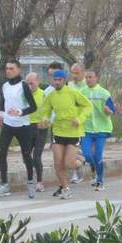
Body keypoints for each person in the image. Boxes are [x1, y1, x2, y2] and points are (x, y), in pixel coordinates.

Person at [38, 69, 92, 199]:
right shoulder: (51, 95)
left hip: (74, 132)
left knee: (69, 164)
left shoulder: (73, 93)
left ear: (64, 80)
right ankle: (66, 189)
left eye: (59, 80)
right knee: (58, 163)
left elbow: (88, 106)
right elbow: (44, 111)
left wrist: (79, 119)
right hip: (58, 131)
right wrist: (44, 119)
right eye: (55, 80)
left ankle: (79, 163)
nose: (57, 82)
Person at [0, 59, 38, 199]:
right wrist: (0, 113)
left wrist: (20, 112)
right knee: (2, 154)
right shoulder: (5, 85)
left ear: (18, 70)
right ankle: (4, 184)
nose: (8, 71)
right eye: (7, 68)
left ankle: (31, 181)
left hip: (23, 126)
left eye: (11, 68)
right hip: (8, 124)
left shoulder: (23, 86)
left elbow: (33, 107)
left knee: (26, 155)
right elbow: (3, 101)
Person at [80, 69, 116, 191]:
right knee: (87, 155)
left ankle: (100, 180)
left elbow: (113, 110)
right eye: (86, 77)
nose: (88, 80)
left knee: (98, 156)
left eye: (90, 77)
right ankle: (94, 169)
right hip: (86, 129)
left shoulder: (104, 93)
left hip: (102, 129)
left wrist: (108, 111)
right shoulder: (82, 92)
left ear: (96, 78)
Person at [26, 72, 48, 192]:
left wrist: (46, 120)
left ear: (38, 82)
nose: (30, 86)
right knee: (27, 155)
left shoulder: (44, 95)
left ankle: (39, 181)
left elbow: (50, 110)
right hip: (27, 127)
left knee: (36, 157)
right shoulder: (24, 95)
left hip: (40, 128)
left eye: (32, 83)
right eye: (27, 83)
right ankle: (30, 178)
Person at [67, 63, 88, 184]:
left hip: (86, 122)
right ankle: (75, 173)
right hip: (73, 122)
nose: (74, 75)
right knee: (73, 148)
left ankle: (87, 164)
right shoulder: (69, 85)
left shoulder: (87, 85)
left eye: (77, 73)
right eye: (72, 73)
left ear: (83, 73)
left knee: (86, 151)